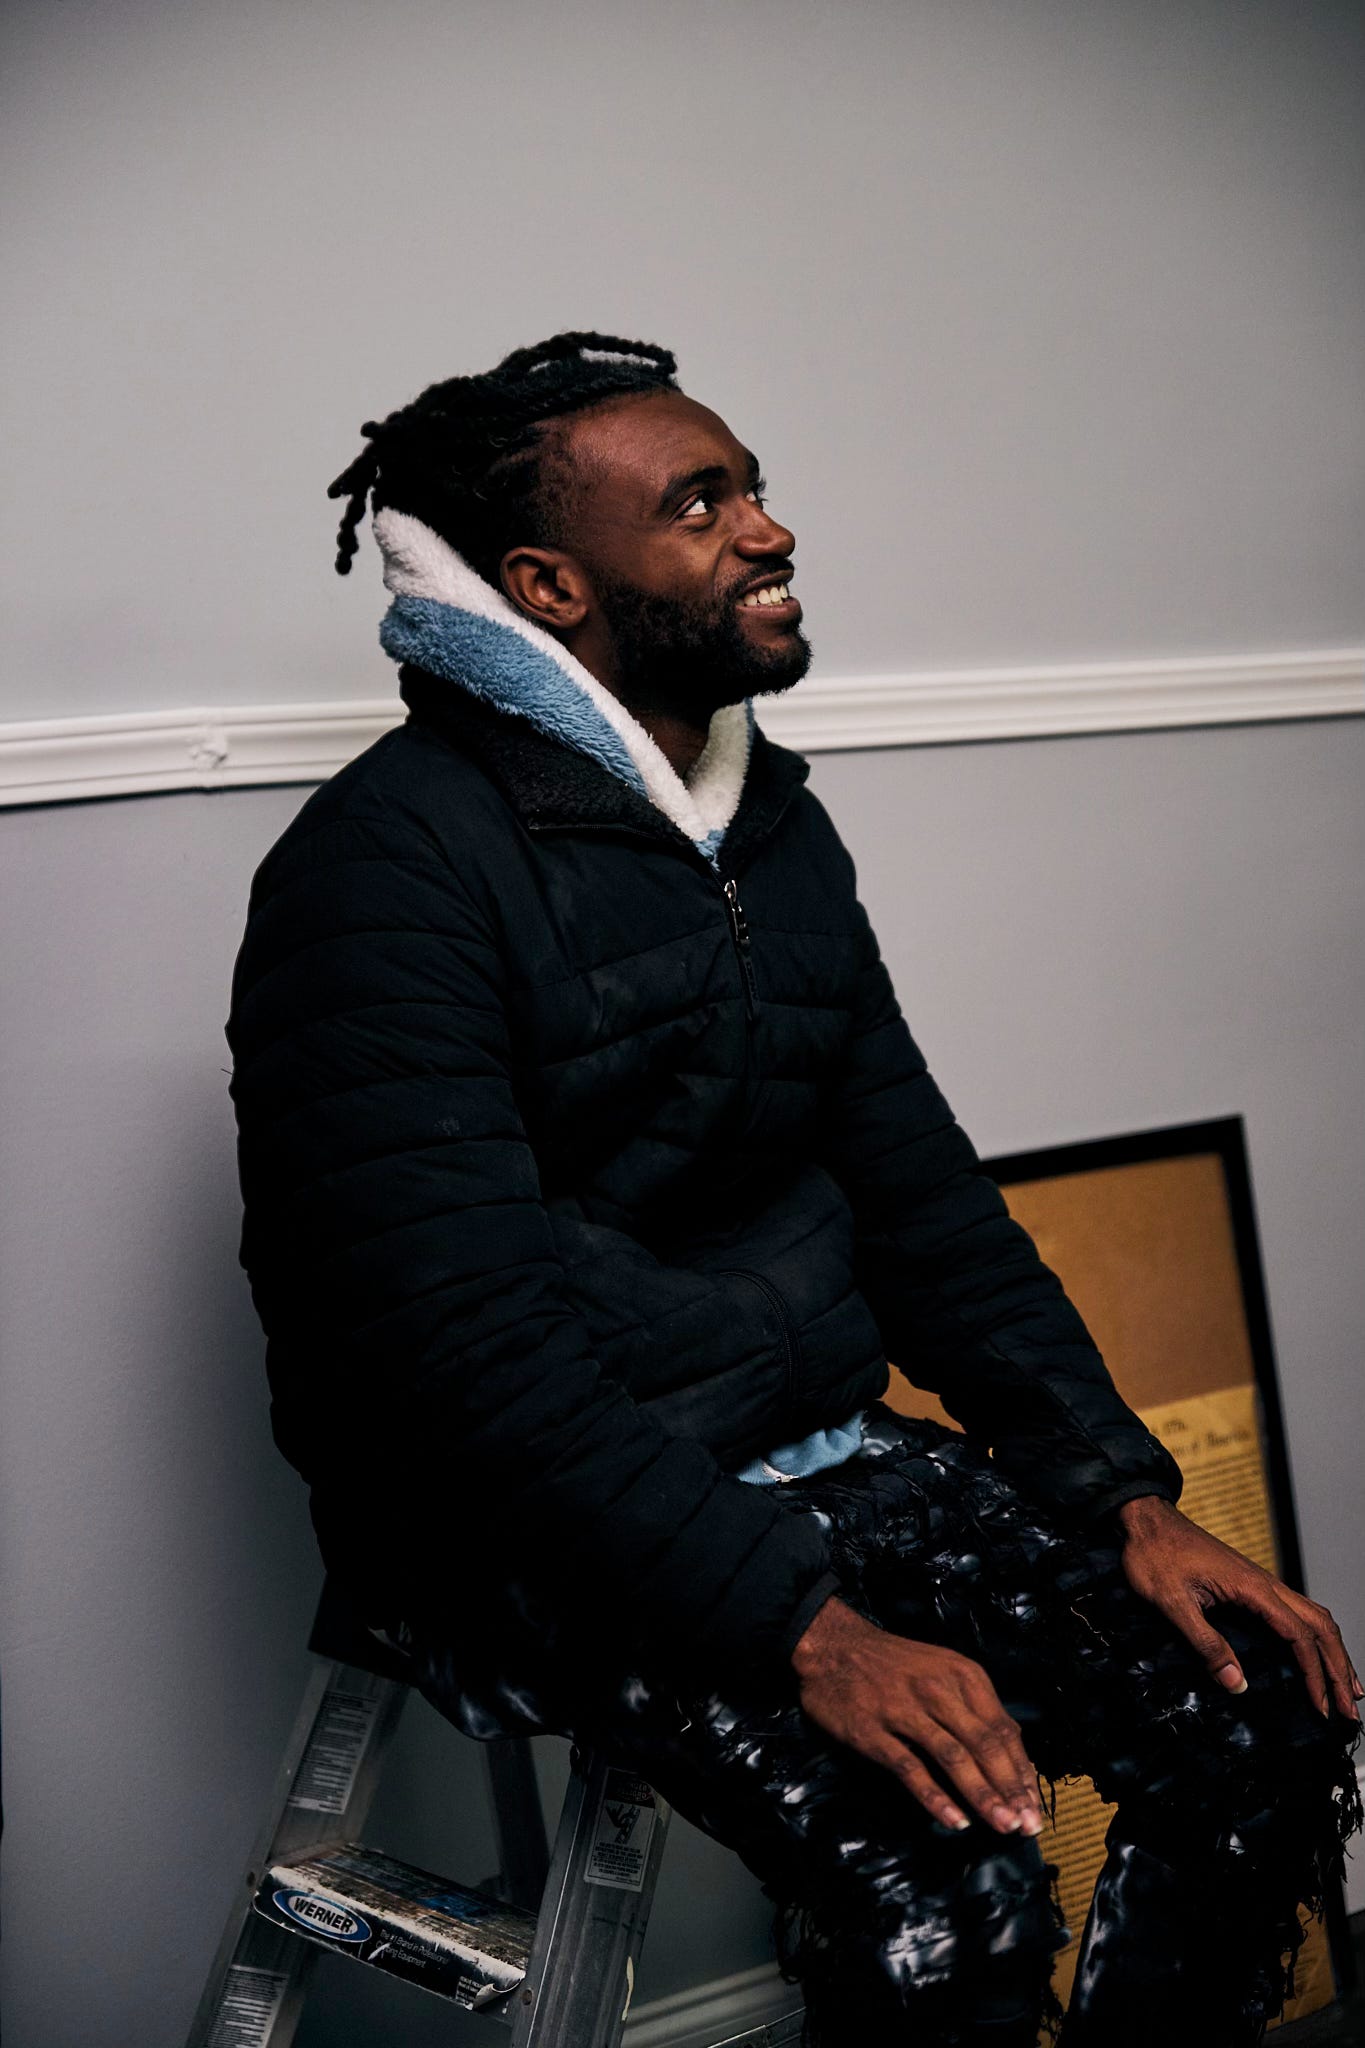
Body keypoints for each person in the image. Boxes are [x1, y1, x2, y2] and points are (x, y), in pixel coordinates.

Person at [225, 332, 1362, 2046]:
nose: (767, 530)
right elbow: (460, 1358)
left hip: (806, 1453)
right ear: (545, 587)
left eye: (751, 489)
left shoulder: (768, 832)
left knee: (1257, 1704)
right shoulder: (383, 872)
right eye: (700, 507)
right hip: (520, 1523)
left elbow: (919, 1197)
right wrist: (802, 1626)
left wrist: (1121, 1494)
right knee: (949, 1882)